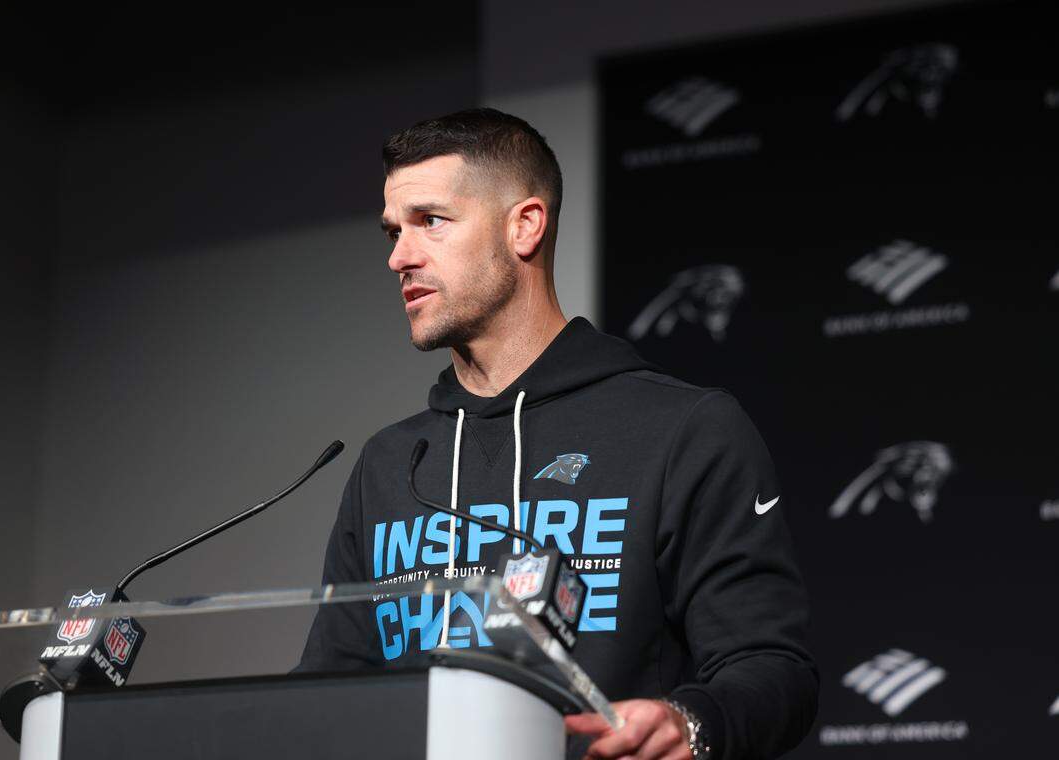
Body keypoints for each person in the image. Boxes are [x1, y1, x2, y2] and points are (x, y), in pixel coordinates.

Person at [298, 107, 818, 759]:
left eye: (430, 221)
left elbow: (773, 668)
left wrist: (690, 722)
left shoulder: (684, 430)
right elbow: (326, 693)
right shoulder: (391, 462)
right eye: (393, 231)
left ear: (525, 226)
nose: (399, 257)